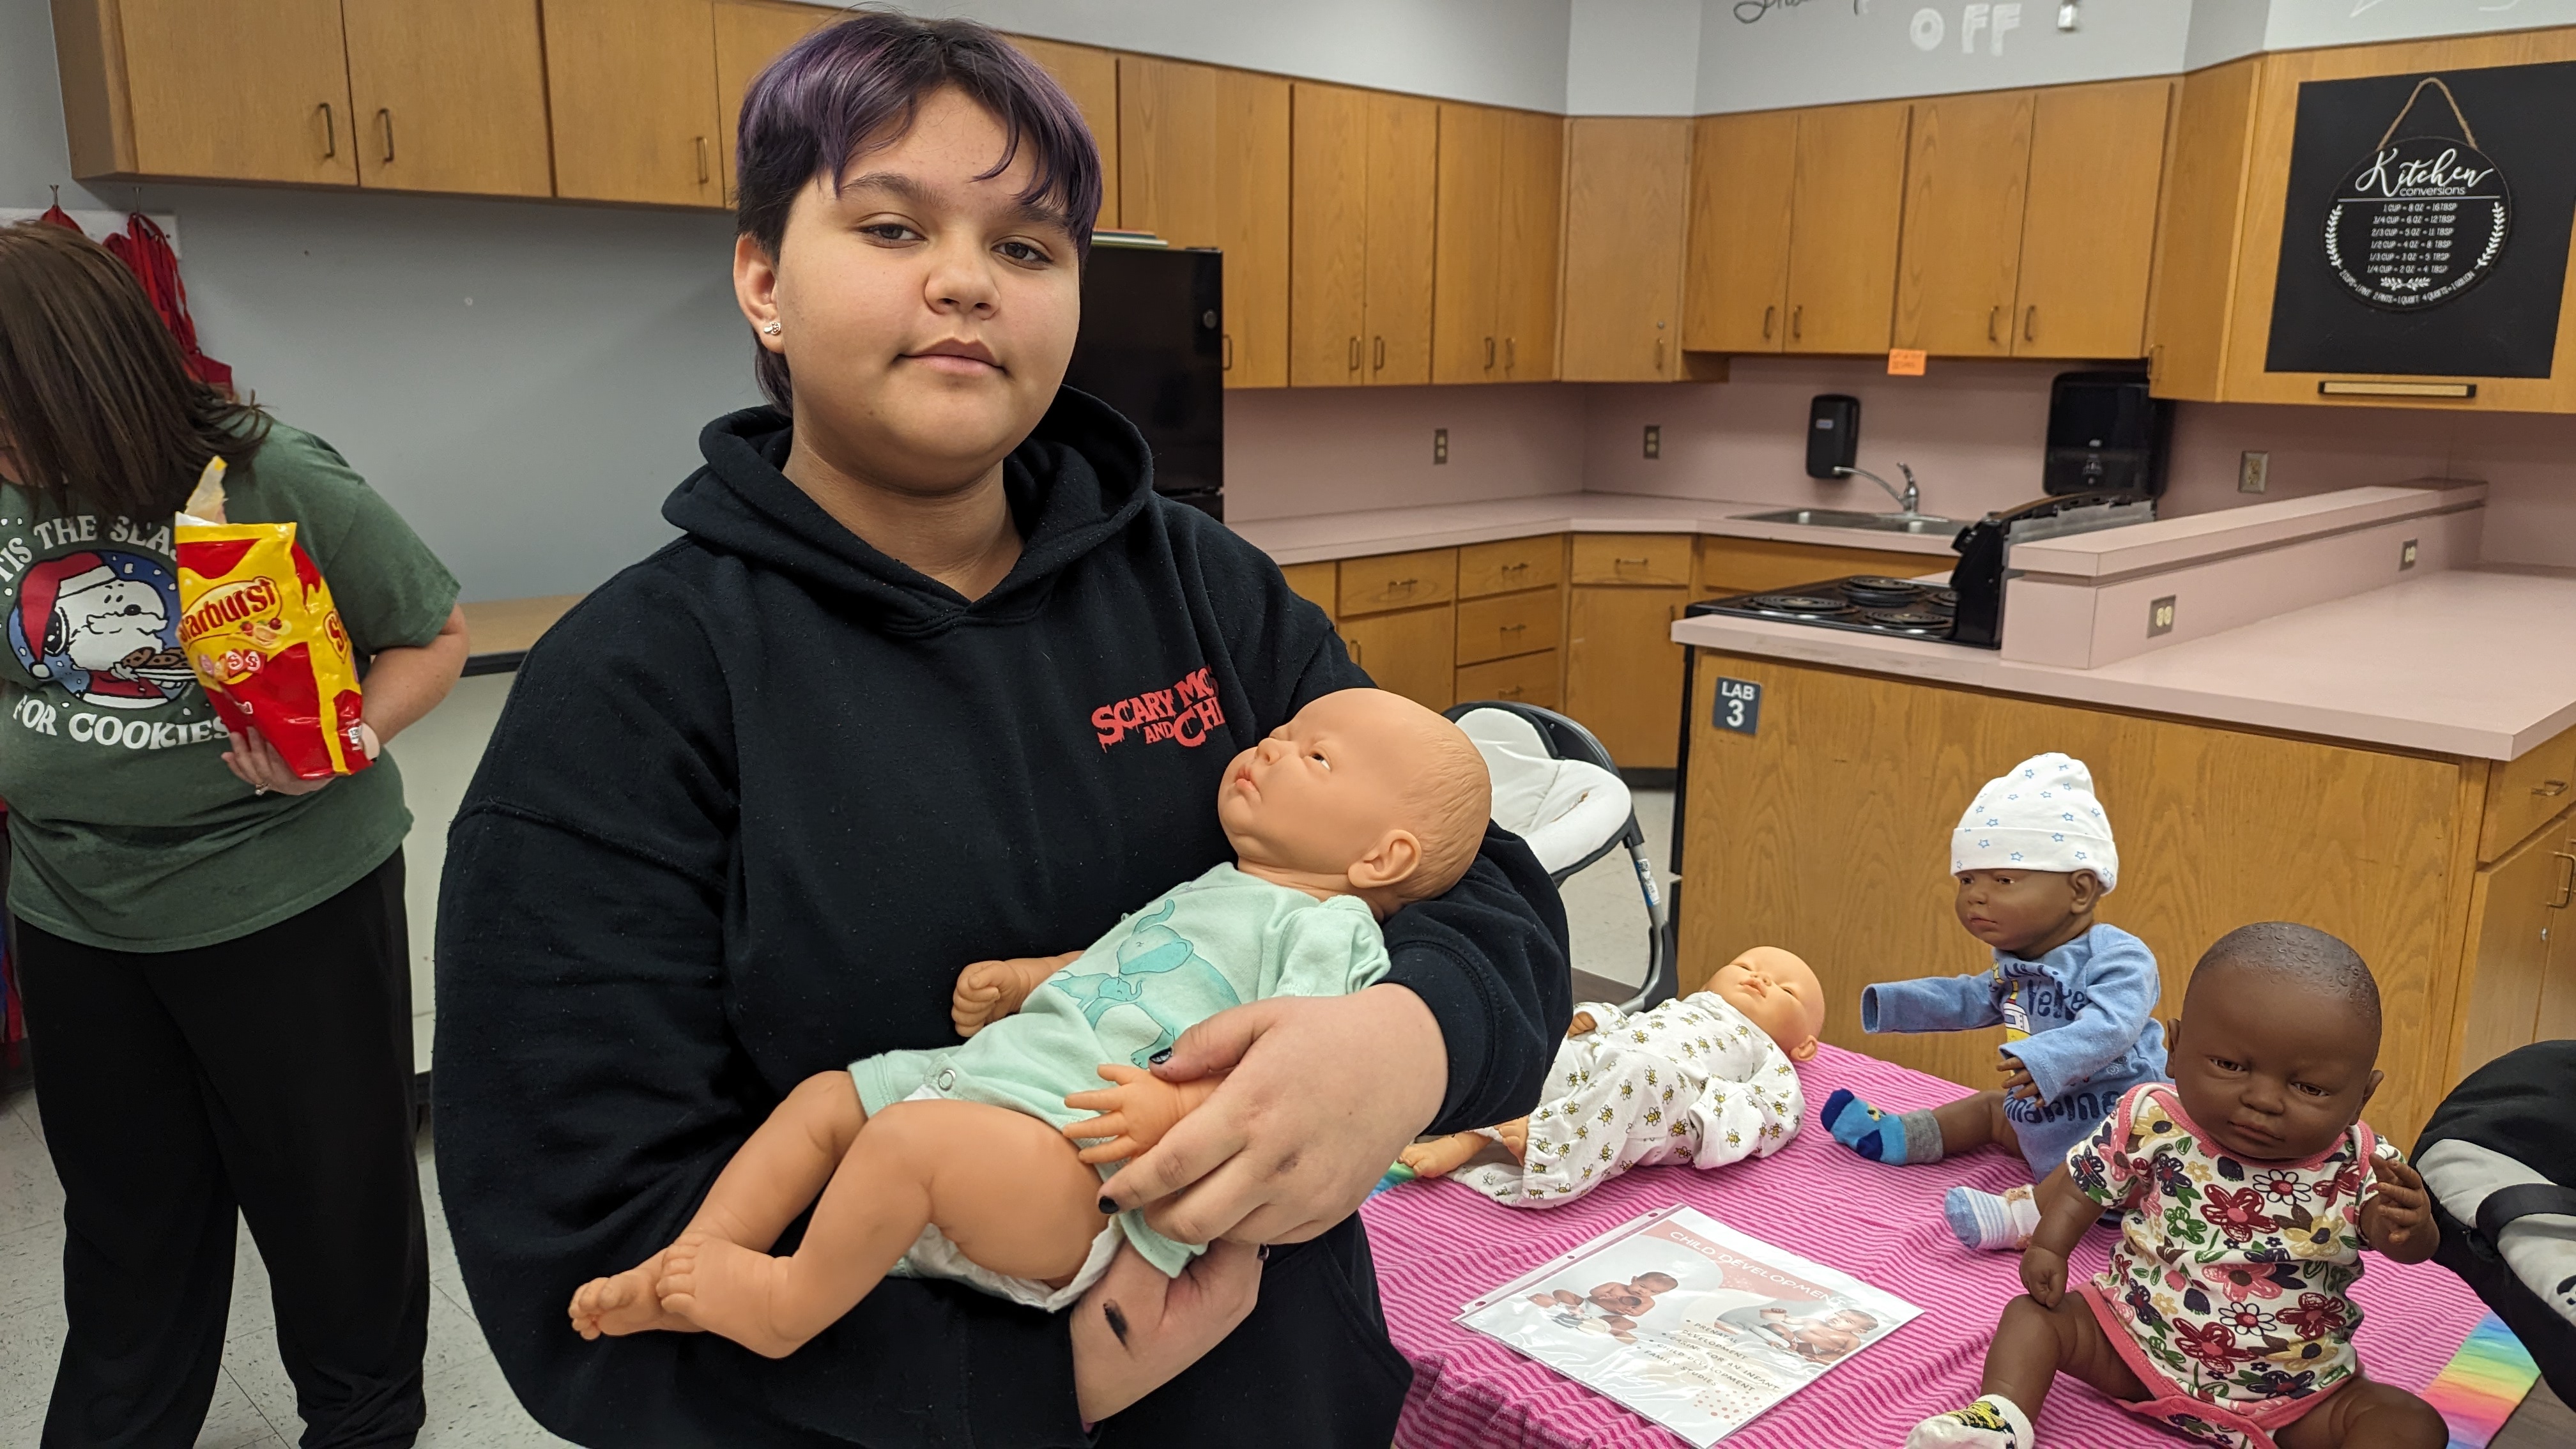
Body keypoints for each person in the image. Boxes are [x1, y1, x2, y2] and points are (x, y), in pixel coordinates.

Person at [431, 13, 1568, 1447]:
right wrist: (1051, 1383)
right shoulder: (631, 693)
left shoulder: (1207, 590)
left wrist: (1414, 1037)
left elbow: (1487, 885)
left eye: (1027, 248)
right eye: (894, 225)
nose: (966, 280)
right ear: (764, 283)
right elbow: (579, 1250)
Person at [565, 689, 1491, 1359]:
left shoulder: (1325, 932)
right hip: (993, 1092)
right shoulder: (1228, 884)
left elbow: (1296, 1070)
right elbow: (1119, 967)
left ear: (1384, 856)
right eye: (1284, 733)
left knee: (904, 1144)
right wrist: (1026, 983)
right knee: (827, 1100)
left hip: (1081, 1174)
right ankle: (704, 1254)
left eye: (1315, 757)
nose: (1274, 749)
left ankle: (784, 1306)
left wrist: (1178, 1118)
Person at [0, 222, 468, 1446]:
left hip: (284, 899)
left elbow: (433, 635)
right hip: (73, 907)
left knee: (331, 1202)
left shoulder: (270, 472)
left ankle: (363, 1416)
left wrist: (342, 745)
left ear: (83, 382)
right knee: (126, 1215)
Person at [1908, 923, 2444, 1449]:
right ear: (2176, 1047)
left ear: (2361, 1096)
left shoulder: (2360, 1162)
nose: (2263, 1099)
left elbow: (2405, 1245)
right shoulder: (2154, 1118)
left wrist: (2410, 1227)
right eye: (2230, 1065)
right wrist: (2051, 1244)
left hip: (2295, 1396)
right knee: (2033, 1319)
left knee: (2412, 1425)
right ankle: (2000, 1420)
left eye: (2308, 1086)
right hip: (2132, 1347)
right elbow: (2087, 1184)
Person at [1819, 752, 2168, 1251]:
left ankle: (2021, 1219)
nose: (1975, 897)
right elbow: (1967, 997)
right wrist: (1894, 1003)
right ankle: (1898, 1136)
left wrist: (2045, 1057)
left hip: (2111, 1135)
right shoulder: (2016, 963)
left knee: (2096, 1160)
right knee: (1988, 1110)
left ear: (2080, 889)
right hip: (2042, 1123)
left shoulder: (2118, 955)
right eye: (1966, 881)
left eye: (2002, 881)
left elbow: (2114, 1024)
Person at [1397, 945, 1821, 1204]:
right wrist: (1596, 1020)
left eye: (1786, 990)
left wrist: (1719, 1114)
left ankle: (1548, 1152)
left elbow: (1779, 1113)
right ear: (1710, 982)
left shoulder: (1769, 1052)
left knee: (1636, 1071)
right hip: (1610, 1060)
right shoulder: (1684, 1007)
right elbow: (1634, 1026)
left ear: (1802, 1045)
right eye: (1745, 965)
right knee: (1548, 1055)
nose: (1761, 978)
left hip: (1674, 1103)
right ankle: (1465, 1136)